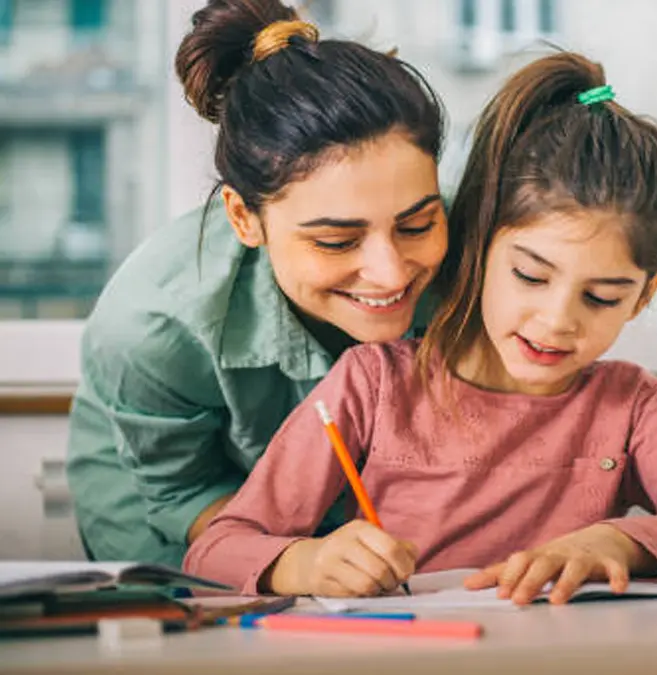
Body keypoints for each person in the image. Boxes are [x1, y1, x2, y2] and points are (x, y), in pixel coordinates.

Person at [184, 52, 657, 604]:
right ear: (478, 248)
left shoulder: (629, 406)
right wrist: (307, 561)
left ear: (644, 296)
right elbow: (214, 550)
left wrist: (615, 544)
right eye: (531, 276)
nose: (558, 321)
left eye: (603, 297)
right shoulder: (374, 385)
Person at [65, 0, 452, 567]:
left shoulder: (485, 253)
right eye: (336, 241)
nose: (391, 272)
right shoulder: (151, 325)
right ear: (245, 218)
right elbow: (180, 492)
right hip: (176, 510)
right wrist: (292, 561)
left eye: (418, 224)